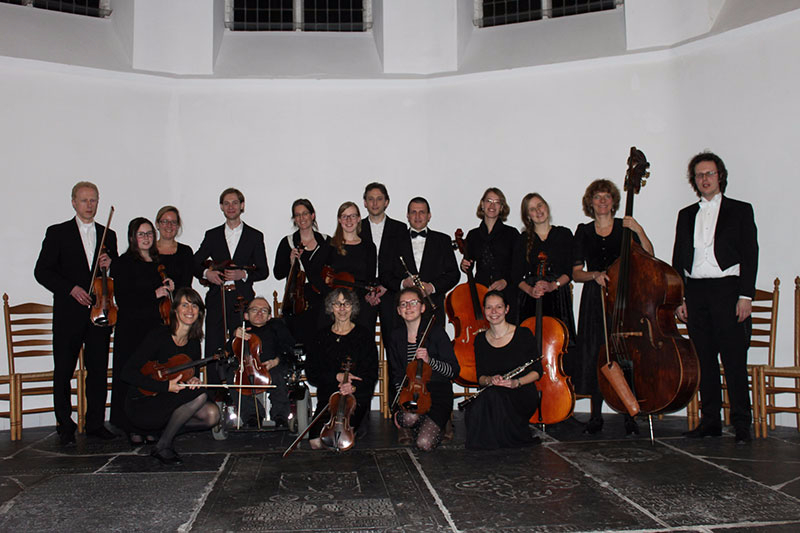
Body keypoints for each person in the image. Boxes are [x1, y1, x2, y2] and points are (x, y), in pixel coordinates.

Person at [673, 152, 758, 444]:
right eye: (699, 175)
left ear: (720, 176)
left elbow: (750, 255)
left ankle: (742, 423)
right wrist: (680, 297)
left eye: (710, 173)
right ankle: (710, 422)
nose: (705, 179)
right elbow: (678, 257)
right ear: (694, 180)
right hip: (696, 292)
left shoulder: (741, 210)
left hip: (728, 290)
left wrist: (745, 295)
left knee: (734, 359)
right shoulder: (686, 214)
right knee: (704, 360)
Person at [34, 181, 118, 445]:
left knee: (98, 370)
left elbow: (115, 274)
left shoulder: (108, 235)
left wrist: (110, 263)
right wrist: (70, 289)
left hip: (99, 312)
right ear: (73, 202)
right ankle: (65, 424)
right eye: (84, 200)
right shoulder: (57, 233)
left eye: (93, 200)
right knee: (63, 370)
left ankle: (95, 423)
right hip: (68, 314)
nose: (89, 205)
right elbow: (42, 271)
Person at [572, 179, 653, 435]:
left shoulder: (625, 228)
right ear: (590, 202)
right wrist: (594, 275)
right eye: (597, 197)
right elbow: (576, 273)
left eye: (607, 196)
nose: (602, 201)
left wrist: (639, 230)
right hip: (595, 298)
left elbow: (649, 256)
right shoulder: (583, 231)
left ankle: (630, 414)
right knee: (598, 353)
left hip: (623, 297)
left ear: (614, 201)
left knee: (624, 353)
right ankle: (596, 416)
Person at [122, 288, 221, 465]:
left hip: (168, 402)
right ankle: (163, 446)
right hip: (142, 403)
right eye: (185, 305)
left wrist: (193, 380)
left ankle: (162, 434)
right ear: (175, 309)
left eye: (194, 306)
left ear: (200, 313)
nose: (190, 310)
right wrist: (165, 386)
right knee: (200, 396)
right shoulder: (158, 336)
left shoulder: (193, 343)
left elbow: (191, 375)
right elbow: (127, 373)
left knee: (212, 415)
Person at [193, 188, 269, 382]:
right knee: (214, 345)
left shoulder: (255, 236)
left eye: (235, 203)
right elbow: (194, 263)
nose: (231, 207)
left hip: (242, 299)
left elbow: (263, 271)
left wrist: (243, 274)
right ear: (221, 207)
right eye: (226, 203)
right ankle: (215, 393)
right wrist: (207, 274)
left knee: (242, 346)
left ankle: (242, 389)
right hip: (217, 297)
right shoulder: (212, 235)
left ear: (242, 206)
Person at [110, 217, 174, 444]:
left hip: (153, 328)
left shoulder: (158, 263)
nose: (146, 238)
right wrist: (154, 294)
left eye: (149, 234)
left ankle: (148, 423)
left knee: (149, 376)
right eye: (141, 234)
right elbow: (124, 299)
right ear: (132, 237)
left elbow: (162, 298)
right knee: (130, 375)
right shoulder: (123, 263)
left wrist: (169, 288)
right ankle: (129, 426)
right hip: (132, 328)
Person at [464, 290, 542, 449]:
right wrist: (490, 380)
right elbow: (480, 378)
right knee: (477, 405)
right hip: (493, 392)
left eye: (499, 307)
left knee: (492, 398)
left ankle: (495, 442)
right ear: (484, 310)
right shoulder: (480, 339)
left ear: (507, 309)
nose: (494, 312)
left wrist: (515, 382)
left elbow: (537, 372)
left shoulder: (523, 334)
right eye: (489, 307)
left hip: (521, 392)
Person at [305, 288, 378, 450]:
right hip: (329, 399)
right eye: (337, 304)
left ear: (353, 307)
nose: (342, 308)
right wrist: (335, 376)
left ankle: (360, 424)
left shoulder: (364, 335)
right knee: (315, 442)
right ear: (331, 307)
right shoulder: (321, 336)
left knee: (343, 441)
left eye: (347, 304)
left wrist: (353, 387)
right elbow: (312, 372)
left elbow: (371, 373)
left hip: (355, 399)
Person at [389, 287, 459, 451]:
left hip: (438, 392)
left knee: (424, 444)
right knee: (406, 418)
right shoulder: (396, 336)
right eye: (403, 304)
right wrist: (401, 399)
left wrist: (430, 361)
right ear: (398, 311)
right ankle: (421, 421)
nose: (408, 307)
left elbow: (453, 371)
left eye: (413, 302)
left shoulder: (436, 332)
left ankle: (442, 421)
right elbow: (397, 373)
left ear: (422, 307)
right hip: (412, 393)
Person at [512, 193, 577, 362]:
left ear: (546, 206)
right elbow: (515, 276)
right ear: (528, 216)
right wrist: (530, 290)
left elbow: (569, 272)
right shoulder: (523, 239)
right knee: (529, 345)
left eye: (540, 205)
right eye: (532, 209)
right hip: (530, 299)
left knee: (559, 343)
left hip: (557, 297)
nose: (538, 211)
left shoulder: (564, 234)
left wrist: (553, 285)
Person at [380, 197, 460, 328]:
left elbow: (453, 274)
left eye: (422, 212)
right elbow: (384, 274)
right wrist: (403, 284)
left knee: (434, 341)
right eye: (413, 212)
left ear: (429, 216)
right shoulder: (393, 242)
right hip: (403, 310)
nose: (417, 216)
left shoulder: (443, 240)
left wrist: (432, 287)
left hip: (433, 307)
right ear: (407, 215)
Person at [226, 296, 294, 427]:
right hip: (246, 368)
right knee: (233, 376)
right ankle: (252, 416)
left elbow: (289, 347)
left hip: (272, 366)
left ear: (269, 316)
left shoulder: (277, 327)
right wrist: (235, 336)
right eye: (254, 310)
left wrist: (276, 361)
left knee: (278, 375)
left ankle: (280, 416)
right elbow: (228, 350)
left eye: (264, 310)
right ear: (246, 315)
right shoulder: (242, 329)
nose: (259, 313)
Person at [273, 198, 330, 346]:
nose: (301, 218)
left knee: (321, 343)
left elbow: (332, 272)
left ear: (312, 215)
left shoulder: (326, 241)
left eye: (305, 213)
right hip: (296, 302)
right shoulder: (287, 242)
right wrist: (291, 262)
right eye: (297, 215)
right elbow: (278, 273)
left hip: (321, 301)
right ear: (294, 219)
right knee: (298, 343)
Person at [360, 182, 408, 342]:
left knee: (394, 340)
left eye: (379, 199)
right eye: (370, 199)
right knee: (363, 340)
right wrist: (367, 290)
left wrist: (387, 285)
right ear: (365, 202)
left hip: (390, 291)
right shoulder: (357, 228)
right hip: (364, 292)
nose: (375, 203)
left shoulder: (400, 228)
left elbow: (403, 262)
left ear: (386, 202)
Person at [460, 188, 519, 320]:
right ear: (482, 204)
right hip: (480, 292)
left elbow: (518, 265)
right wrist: (464, 265)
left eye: (497, 202)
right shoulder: (473, 235)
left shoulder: (512, 234)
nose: (492, 205)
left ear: (501, 207)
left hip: (506, 292)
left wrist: (505, 281)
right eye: (489, 201)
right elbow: (468, 263)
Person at [322, 202, 379, 332]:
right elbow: (316, 272)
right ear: (339, 220)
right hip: (336, 299)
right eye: (344, 216)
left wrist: (371, 293)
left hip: (360, 298)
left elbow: (370, 278)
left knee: (365, 326)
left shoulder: (369, 246)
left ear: (358, 219)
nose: (349, 220)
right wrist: (329, 294)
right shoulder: (330, 245)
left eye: (352, 216)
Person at [155, 205, 194, 291]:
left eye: (173, 222)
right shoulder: (148, 251)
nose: (169, 225)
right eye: (165, 221)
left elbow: (186, 285)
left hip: (179, 299)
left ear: (178, 226)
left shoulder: (185, 252)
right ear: (157, 224)